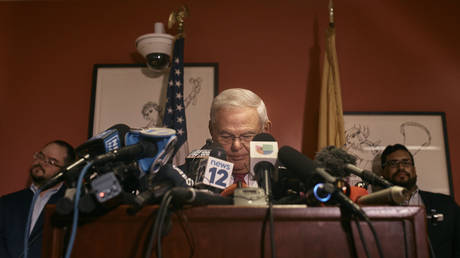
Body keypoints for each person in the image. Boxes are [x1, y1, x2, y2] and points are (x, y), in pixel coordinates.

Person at [380, 143, 460, 258]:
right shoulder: (372, 209)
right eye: (393, 164)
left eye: (406, 162)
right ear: (383, 172)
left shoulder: (446, 205)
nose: (401, 167)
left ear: (414, 169)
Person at [0, 140, 75, 258]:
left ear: (64, 170)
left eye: (52, 161)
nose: (42, 163)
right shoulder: (7, 202)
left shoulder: (71, 202)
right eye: (41, 156)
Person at [208, 88, 272, 187]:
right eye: (226, 137)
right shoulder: (188, 177)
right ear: (212, 131)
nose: (236, 146)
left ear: (265, 130)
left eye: (247, 136)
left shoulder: (287, 178)